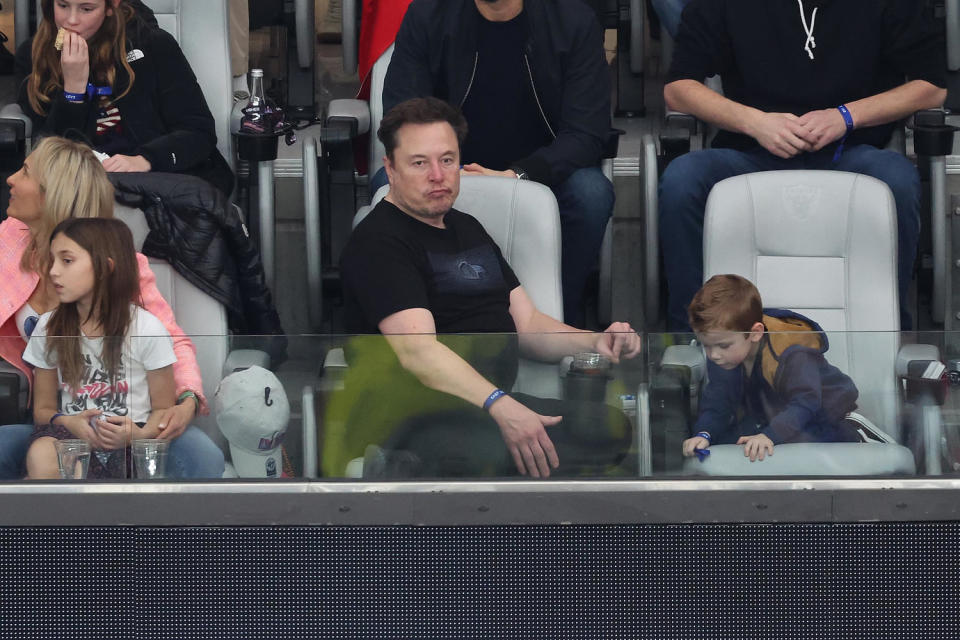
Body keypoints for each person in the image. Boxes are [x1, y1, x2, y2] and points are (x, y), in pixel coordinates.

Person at [334, 97, 641, 479]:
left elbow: (528, 325)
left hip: (483, 408)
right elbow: (418, 353)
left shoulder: (467, 228)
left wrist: (594, 341)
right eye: (419, 163)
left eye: (447, 160)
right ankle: (405, 473)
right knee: (551, 451)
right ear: (390, 169)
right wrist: (502, 406)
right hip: (412, 415)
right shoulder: (379, 241)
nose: (437, 174)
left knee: (610, 428)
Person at [659, 0, 947, 330]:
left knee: (897, 179)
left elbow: (932, 87)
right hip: (752, 152)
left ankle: (887, 333)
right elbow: (679, 88)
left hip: (850, 151)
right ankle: (690, 341)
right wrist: (755, 122)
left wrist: (846, 117)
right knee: (682, 180)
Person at [380, 0, 615, 327]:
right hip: (448, 166)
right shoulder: (429, 13)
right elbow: (402, 114)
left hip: (543, 173)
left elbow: (587, 132)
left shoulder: (573, 19)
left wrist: (518, 174)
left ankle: (560, 316)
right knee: (387, 184)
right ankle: (425, 321)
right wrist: (446, 168)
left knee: (590, 192)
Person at [0, 136, 223, 479]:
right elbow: (43, 412)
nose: (10, 179)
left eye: (25, 172)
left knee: (201, 457)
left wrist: (188, 400)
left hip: (130, 423)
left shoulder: (119, 265)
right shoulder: (9, 239)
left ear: (52, 194)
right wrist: (64, 421)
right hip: (47, 417)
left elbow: (170, 340)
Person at [15, 0, 234, 196]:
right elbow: (51, 151)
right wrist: (73, 89)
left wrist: (146, 159)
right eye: (62, 6)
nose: (71, 20)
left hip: (156, 182)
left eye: (86, 9)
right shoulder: (35, 56)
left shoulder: (153, 45)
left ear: (110, 7)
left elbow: (199, 132)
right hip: (78, 188)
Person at [23, 218, 177, 479]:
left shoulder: (147, 328)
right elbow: (43, 410)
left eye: (67, 261)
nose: (53, 271)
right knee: (42, 454)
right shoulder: (49, 327)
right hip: (71, 432)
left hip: (131, 435)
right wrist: (69, 421)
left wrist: (138, 435)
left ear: (106, 268)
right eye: (53, 260)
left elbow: (164, 409)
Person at [681, 274, 862, 463]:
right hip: (770, 415)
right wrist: (704, 434)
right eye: (706, 346)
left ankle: (858, 435)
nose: (714, 355)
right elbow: (718, 402)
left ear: (755, 333)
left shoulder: (792, 353)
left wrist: (769, 435)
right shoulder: (725, 354)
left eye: (723, 346)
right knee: (727, 444)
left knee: (804, 453)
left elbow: (806, 403)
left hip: (823, 417)